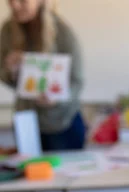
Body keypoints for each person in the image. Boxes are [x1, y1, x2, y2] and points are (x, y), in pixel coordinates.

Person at [0, 0, 85, 151]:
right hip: (25, 121)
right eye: (10, 0)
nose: (14, 5)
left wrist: (56, 99)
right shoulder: (7, 31)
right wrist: (10, 71)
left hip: (61, 123)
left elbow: (77, 81)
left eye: (22, 1)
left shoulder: (62, 33)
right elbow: (5, 76)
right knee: (28, 172)